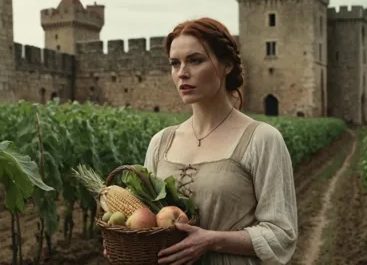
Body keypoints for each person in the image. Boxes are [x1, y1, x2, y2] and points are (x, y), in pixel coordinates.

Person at [104, 17, 298, 265]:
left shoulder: (262, 140)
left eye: (195, 60)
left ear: (226, 65)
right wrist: (128, 237)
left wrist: (211, 240)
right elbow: (150, 220)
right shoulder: (161, 142)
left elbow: (282, 235)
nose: (182, 73)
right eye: (175, 64)